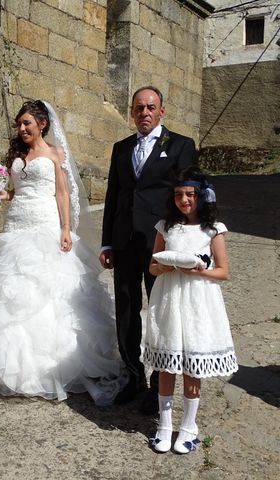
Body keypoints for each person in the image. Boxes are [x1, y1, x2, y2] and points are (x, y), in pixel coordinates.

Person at [0, 100, 126, 403]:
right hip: (17, 224)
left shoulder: (56, 154)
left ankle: (48, 367)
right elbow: (16, 191)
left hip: (45, 224)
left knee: (48, 290)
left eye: (27, 123)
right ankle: (5, 367)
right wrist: (1, 191)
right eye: (19, 124)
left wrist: (66, 228)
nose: (22, 128)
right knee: (11, 289)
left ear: (42, 124)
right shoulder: (17, 155)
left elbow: (62, 193)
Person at [100, 86, 197, 411]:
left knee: (161, 311)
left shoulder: (181, 146)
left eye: (150, 107)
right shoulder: (121, 148)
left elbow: (190, 195)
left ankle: (160, 384)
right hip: (125, 241)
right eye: (139, 108)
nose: (144, 113)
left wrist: (191, 239)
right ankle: (133, 376)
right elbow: (113, 196)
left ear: (161, 111)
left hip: (162, 243)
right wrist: (107, 241)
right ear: (132, 112)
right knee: (127, 309)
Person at [144, 166, 238, 453]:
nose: (183, 200)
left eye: (189, 194)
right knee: (167, 364)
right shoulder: (166, 227)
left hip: (198, 300)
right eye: (178, 195)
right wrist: (169, 266)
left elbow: (223, 272)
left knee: (191, 364)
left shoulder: (212, 230)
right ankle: (163, 425)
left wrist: (198, 271)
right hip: (169, 299)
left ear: (201, 196)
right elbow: (152, 266)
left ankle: (188, 426)